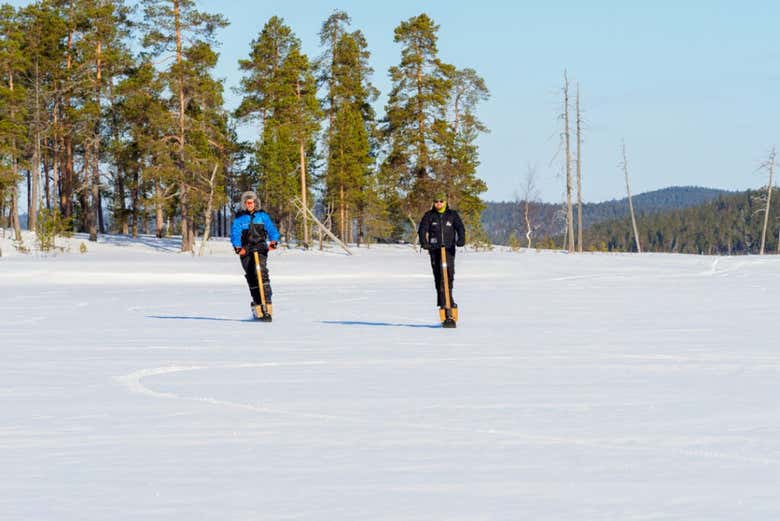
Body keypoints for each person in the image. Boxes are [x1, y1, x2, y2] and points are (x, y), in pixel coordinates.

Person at [230, 191, 280, 312]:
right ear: (244, 204)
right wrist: (237, 247)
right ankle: (257, 301)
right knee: (251, 275)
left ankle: (267, 300)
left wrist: (273, 241)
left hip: (260, 247)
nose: (249, 205)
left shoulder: (262, 216)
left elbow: (272, 229)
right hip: (246, 249)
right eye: (247, 203)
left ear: (255, 203)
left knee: (261, 272)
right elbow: (235, 233)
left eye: (251, 203)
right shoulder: (240, 217)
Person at [417, 192, 466, 311]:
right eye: (436, 201)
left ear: (445, 202)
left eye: (441, 201)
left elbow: (460, 228)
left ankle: (449, 299)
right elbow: (422, 229)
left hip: (449, 249)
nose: (438, 203)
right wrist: (424, 242)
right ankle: (442, 301)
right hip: (435, 250)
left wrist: (461, 239)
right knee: (438, 275)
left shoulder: (452, 215)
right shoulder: (429, 215)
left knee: (448, 274)